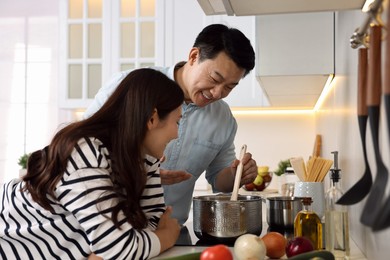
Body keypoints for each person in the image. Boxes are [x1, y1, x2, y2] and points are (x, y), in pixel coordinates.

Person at [84, 24, 258, 225]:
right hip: (110, 225)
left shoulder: (223, 118)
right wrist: (138, 171)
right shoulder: (131, 87)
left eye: (229, 87)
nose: (218, 93)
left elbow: (220, 180)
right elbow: (80, 149)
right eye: (214, 79)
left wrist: (236, 175)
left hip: (170, 231)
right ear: (194, 56)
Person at [0, 68, 184, 259]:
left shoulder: (146, 157)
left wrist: (120, 246)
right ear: (152, 118)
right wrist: (167, 237)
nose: (177, 134)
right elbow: (120, 249)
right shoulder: (85, 152)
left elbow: (150, 220)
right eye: (177, 122)